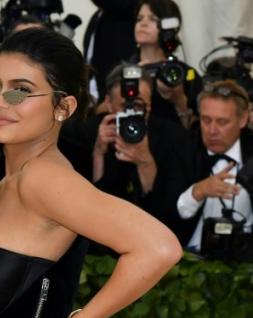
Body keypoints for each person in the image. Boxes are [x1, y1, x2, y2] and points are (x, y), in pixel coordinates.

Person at [0, 27, 182, 318]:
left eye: (20, 92)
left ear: (63, 107)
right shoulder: (11, 181)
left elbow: (158, 247)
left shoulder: (44, 179)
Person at [92, 63, 193, 238]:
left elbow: (169, 215)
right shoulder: (95, 132)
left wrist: (145, 162)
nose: (132, 114)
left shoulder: (173, 138)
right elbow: (92, 212)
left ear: (150, 104)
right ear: (109, 103)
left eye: (139, 106)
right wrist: (98, 154)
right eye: (125, 106)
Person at [177, 80, 253, 255]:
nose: (211, 130)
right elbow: (167, 215)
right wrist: (198, 191)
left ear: (243, 120)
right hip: (190, 258)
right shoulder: (184, 150)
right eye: (205, 120)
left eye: (222, 122)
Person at [131, 0, 202, 128]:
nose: (143, 23)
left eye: (153, 19)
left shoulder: (183, 73)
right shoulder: (125, 70)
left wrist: (179, 99)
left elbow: (196, 130)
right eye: (139, 19)